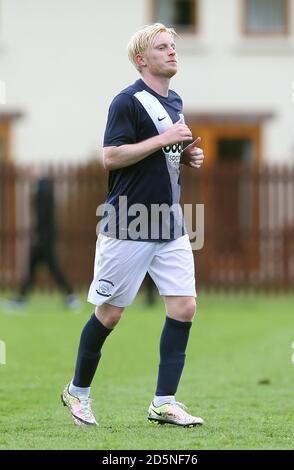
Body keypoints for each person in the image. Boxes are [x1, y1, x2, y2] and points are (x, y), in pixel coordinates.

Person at [61, 23, 204, 426]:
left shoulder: (174, 100)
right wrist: (165, 141)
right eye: (162, 47)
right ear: (142, 59)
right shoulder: (127, 101)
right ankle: (77, 393)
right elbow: (111, 156)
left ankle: (164, 402)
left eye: (173, 46)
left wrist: (185, 155)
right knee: (109, 315)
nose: (172, 52)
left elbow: (164, 155)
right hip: (128, 222)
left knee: (184, 306)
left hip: (170, 222)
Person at [10, 175, 81, 310]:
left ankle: (71, 296)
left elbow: (43, 218)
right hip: (45, 237)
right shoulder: (48, 194)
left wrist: (40, 236)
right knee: (33, 268)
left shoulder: (43, 195)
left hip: (44, 239)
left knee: (50, 268)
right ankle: (21, 298)